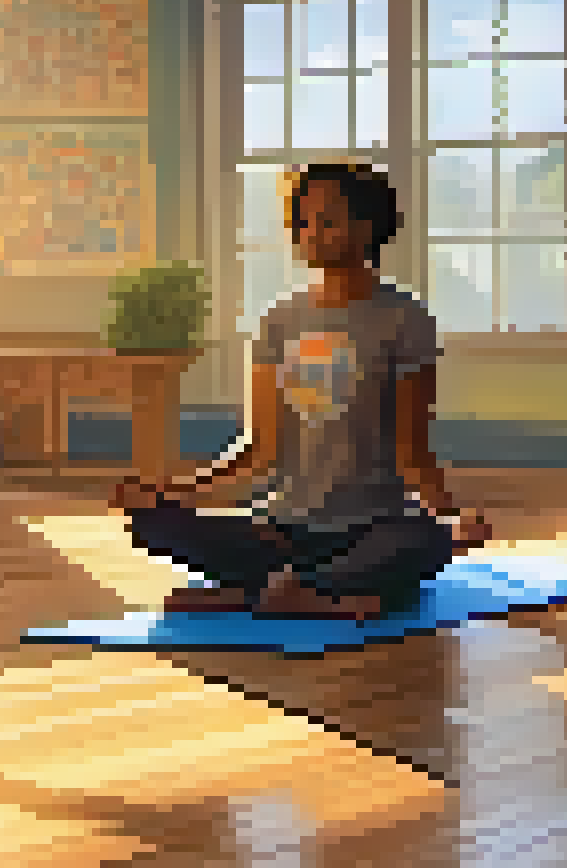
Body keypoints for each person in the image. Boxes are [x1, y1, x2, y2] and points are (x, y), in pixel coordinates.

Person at [109, 162, 492, 621]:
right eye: (303, 222)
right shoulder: (278, 322)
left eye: (328, 220)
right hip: (282, 529)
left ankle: (263, 592)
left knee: (423, 542)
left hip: (371, 526)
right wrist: (174, 493)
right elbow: (259, 451)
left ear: (368, 225)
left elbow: (412, 450)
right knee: (153, 524)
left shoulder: (404, 320)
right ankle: (308, 590)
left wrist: (447, 516)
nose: (313, 233)